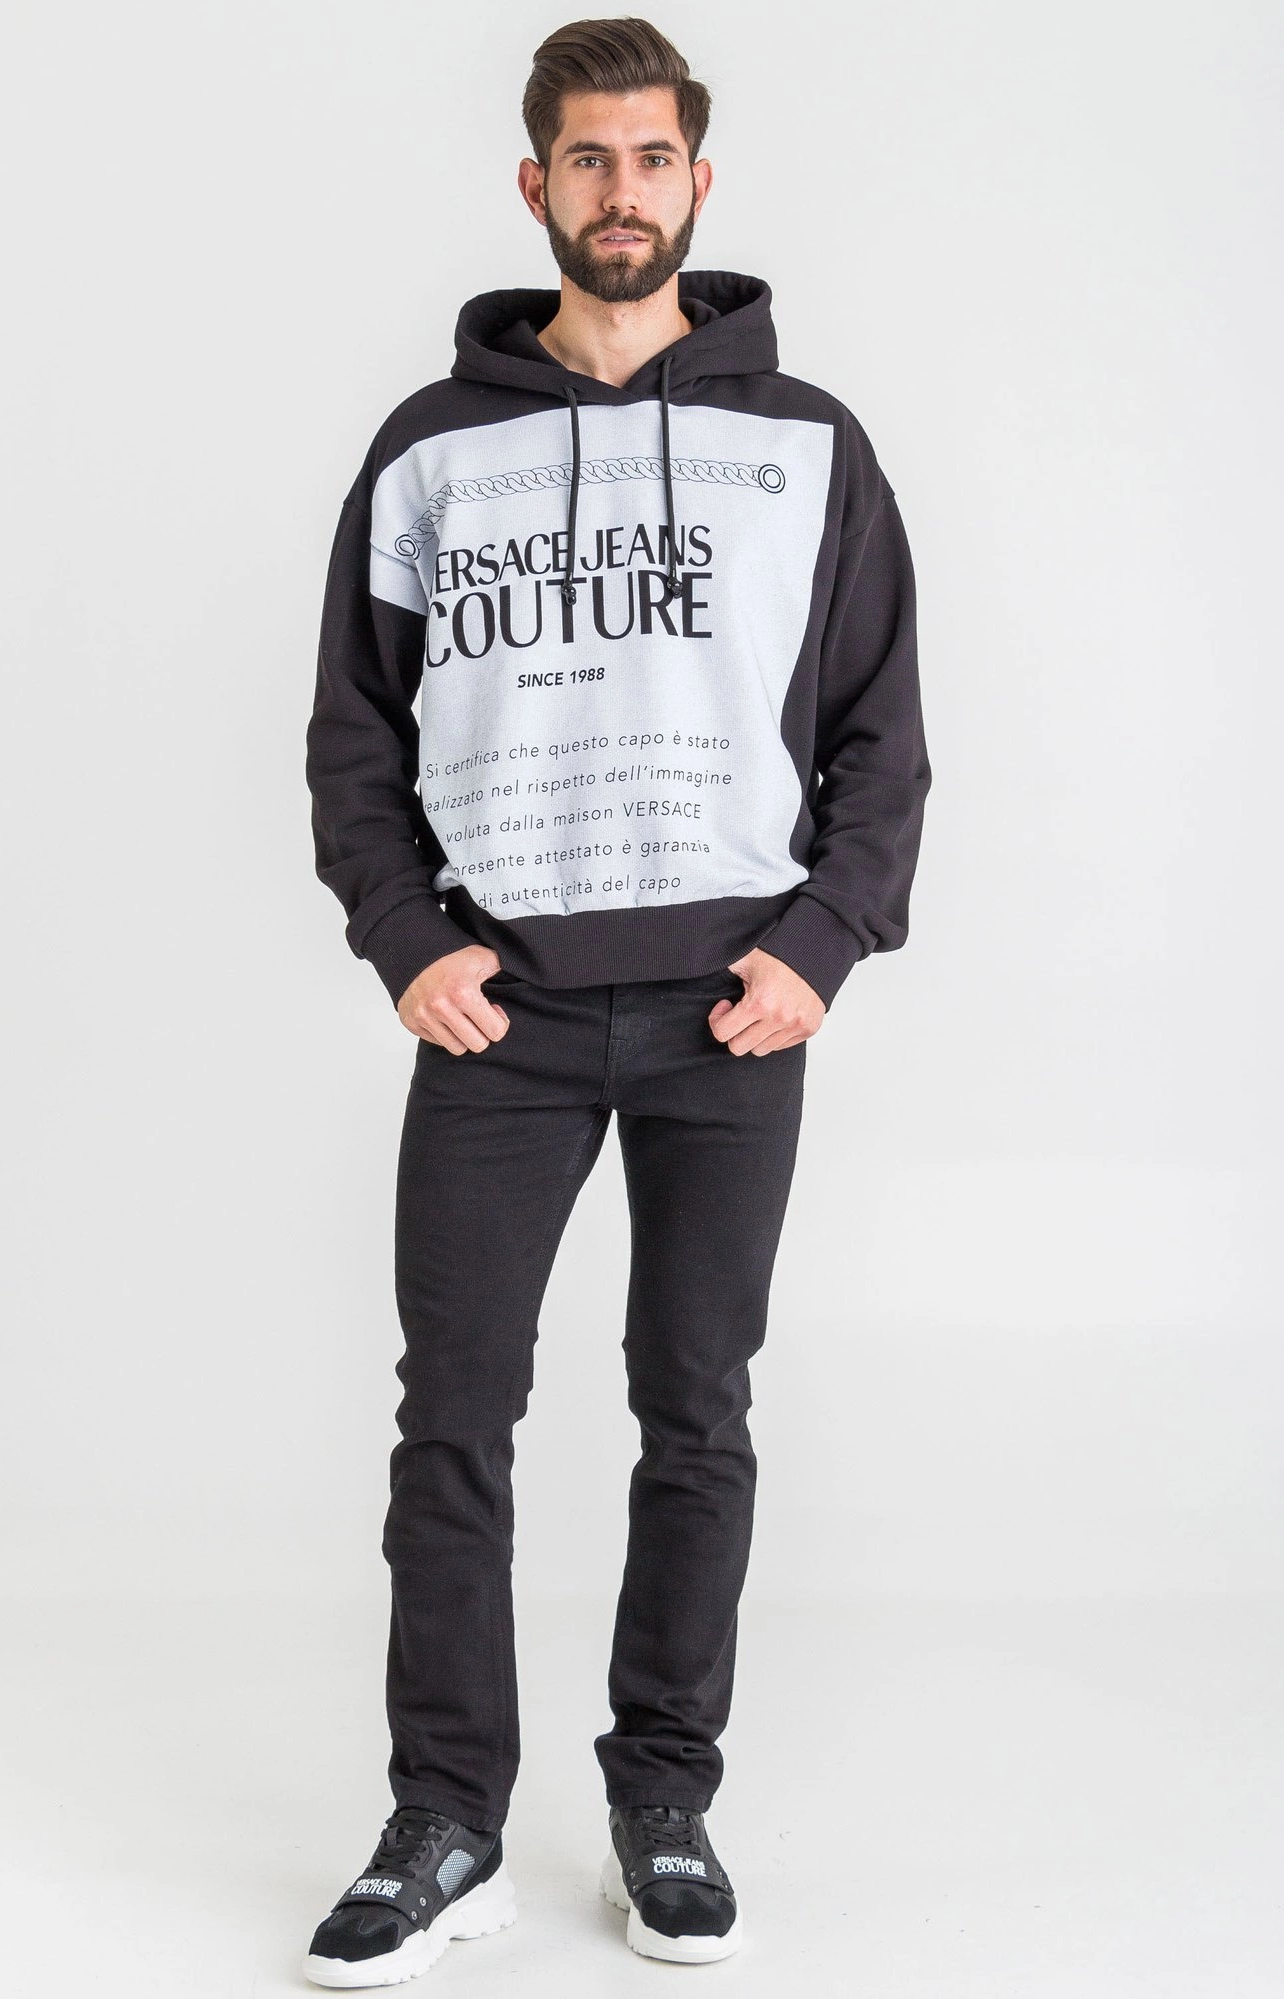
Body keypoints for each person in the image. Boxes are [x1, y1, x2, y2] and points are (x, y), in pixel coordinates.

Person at [302, 15, 930, 1985]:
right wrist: (407, 937)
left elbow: (881, 741)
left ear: (698, 182)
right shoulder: (431, 448)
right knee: (452, 1418)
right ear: (535, 184)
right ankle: (446, 1819)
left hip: (728, 1012)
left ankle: (665, 1798)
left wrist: (820, 945)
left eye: (652, 157)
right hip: (501, 1017)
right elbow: (352, 738)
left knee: (696, 1407)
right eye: (587, 158)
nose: (622, 191)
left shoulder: (806, 445)